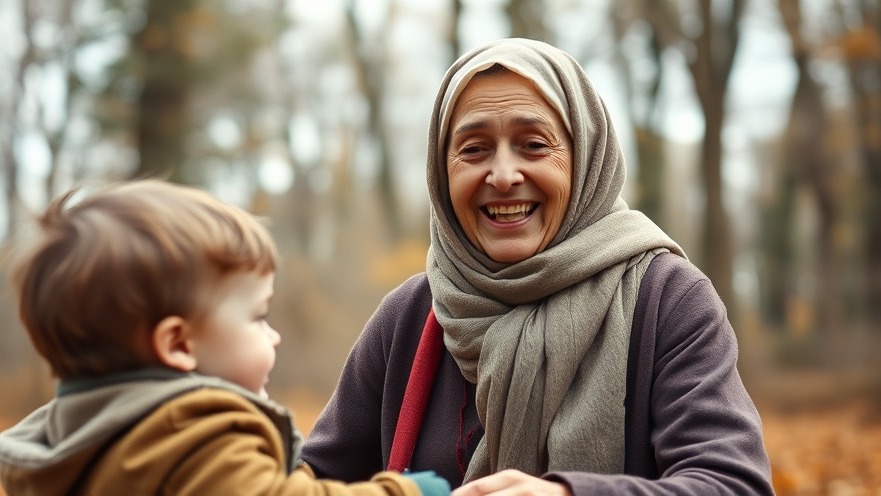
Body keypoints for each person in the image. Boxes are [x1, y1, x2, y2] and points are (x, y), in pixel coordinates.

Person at [300, 38, 774, 495]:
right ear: (441, 174)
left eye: (533, 144)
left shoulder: (666, 300)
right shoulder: (409, 316)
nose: (504, 176)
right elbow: (309, 482)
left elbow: (733, 484)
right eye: (473, 149)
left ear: (585, 157)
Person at [0, 180, 450, 496]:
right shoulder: (193, 435)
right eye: (257, 317)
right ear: (177, 344)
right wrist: (407, 491)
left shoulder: (64, 445)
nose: (273, 336)